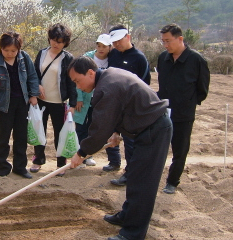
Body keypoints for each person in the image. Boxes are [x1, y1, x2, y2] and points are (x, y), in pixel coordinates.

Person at [68, 56, 172, 240]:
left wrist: (82, 152)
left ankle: (133, 234)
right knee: (134, 176)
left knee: (143, 184)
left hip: (154, 130)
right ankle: (127, 215)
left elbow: (99, 129)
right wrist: (116, 132)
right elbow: (121, 108)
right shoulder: (108, 76)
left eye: (78, 80)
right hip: (145, 128)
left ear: (91, 73)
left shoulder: (107, 87)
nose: (77, 86)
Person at [157, 23, 210, 194]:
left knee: (180, 150)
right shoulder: (162, 59)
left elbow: (202, 90)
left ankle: (172, 181)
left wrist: (187, 102)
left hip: (183, 114)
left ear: (180, 39)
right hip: (163, 111)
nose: (165, 45)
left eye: (168, 41)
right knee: (157, 147)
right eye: (163, 41)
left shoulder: (197, 60)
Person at [0, 32, 40, 179]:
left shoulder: (24, 58)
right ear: (0, 48)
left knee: (21, 137)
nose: (9, 54)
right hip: (3, 107)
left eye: (13, 51)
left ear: (19, 49)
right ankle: (3, 168)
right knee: (3, 138)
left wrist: (33, 95)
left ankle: (20, 167)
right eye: (6, 50)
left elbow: (33, 76)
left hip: (22, 104)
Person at [105, 24, 151, 188]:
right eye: (114, 42)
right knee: (113, 135)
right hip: (115, 103)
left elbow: (145, 84)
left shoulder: (139, 58)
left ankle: (131, 174)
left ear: (128, 37)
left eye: (119, 41)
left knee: (131, 142)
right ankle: (114, 162)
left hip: (132, 106)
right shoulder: (113, 55)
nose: (116, 44)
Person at [30, 23, 77, 176]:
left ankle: (60, 163)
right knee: (39, 131)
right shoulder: (42, 53)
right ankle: (38, 159)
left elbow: (72, 82)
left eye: (60, 41)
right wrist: (37, 86)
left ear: (65, 43)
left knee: (60, 133)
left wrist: (73, 104)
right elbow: (34, 73)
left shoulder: (68, 58)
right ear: (49, 39)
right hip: (41, 101)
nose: (56, 44)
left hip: (59, 103)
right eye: (54, 40)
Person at [74, 34, 113, 166]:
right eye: (98, 45)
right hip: (84, 98)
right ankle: (80, 154)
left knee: (93, 126)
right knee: (81, 127)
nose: (101, 49)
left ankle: (88, 155)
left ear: (109, 47)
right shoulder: (87, 57)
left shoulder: (112, 59)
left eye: (104, 46)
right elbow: (78, 79)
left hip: (100, 99)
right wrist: (78, 98)